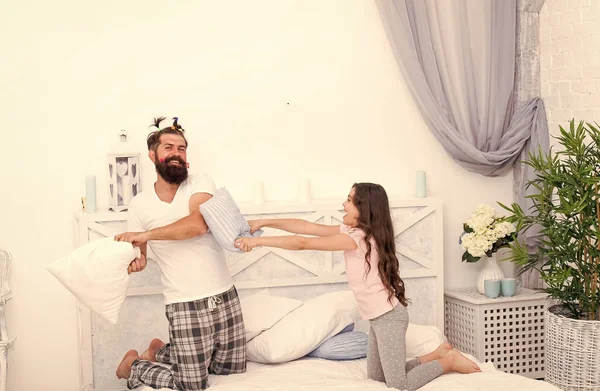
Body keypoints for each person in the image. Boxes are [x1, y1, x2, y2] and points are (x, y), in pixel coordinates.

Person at [234, 182, 480, 391]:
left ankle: (449, 362)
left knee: (399, 385)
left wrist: (258, 243)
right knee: (376, 378)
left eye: (350, 200)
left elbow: (302, 242)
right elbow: (306, 227)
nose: (344, 203)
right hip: (378, 318)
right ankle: (438, 353)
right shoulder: (355, 230)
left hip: (389, 319)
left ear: (364, 209)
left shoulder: (359, 239)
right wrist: (263, 221)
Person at [114, 117, 246, 390]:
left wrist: (147, 235)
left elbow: (198, 224)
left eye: (182, 148)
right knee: (191, 385)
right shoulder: (139, 205)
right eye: (169, 147)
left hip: (225, 296)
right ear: (153, 155)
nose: (176, 153)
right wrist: (135, 261)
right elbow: (141, 255)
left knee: (229, 371)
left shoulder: (200, 183)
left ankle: (160, 350)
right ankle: (135, 366)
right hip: (184, 304)